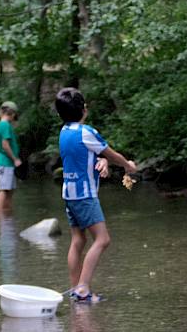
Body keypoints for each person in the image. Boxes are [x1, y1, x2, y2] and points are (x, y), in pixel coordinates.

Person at [55, 87, 136, 303]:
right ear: (84, 109)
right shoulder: (86, 132)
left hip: (69, 194)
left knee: (78, 240)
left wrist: (103, 161)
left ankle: (75, 289)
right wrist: (128, 166)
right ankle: (83, 289)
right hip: (85, 195)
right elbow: (111, 153)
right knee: (103, 239)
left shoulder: (64, 132)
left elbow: (85, 156)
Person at [0, 101, 22, 211]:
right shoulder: (5, 124)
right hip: (5, 162)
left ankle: (7, 216)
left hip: (7, 163)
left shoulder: (3, 124)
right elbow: (5, 145)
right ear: (13, 114)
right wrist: (15, 159)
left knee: (9, 191)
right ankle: (2, 217)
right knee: (4, 190)